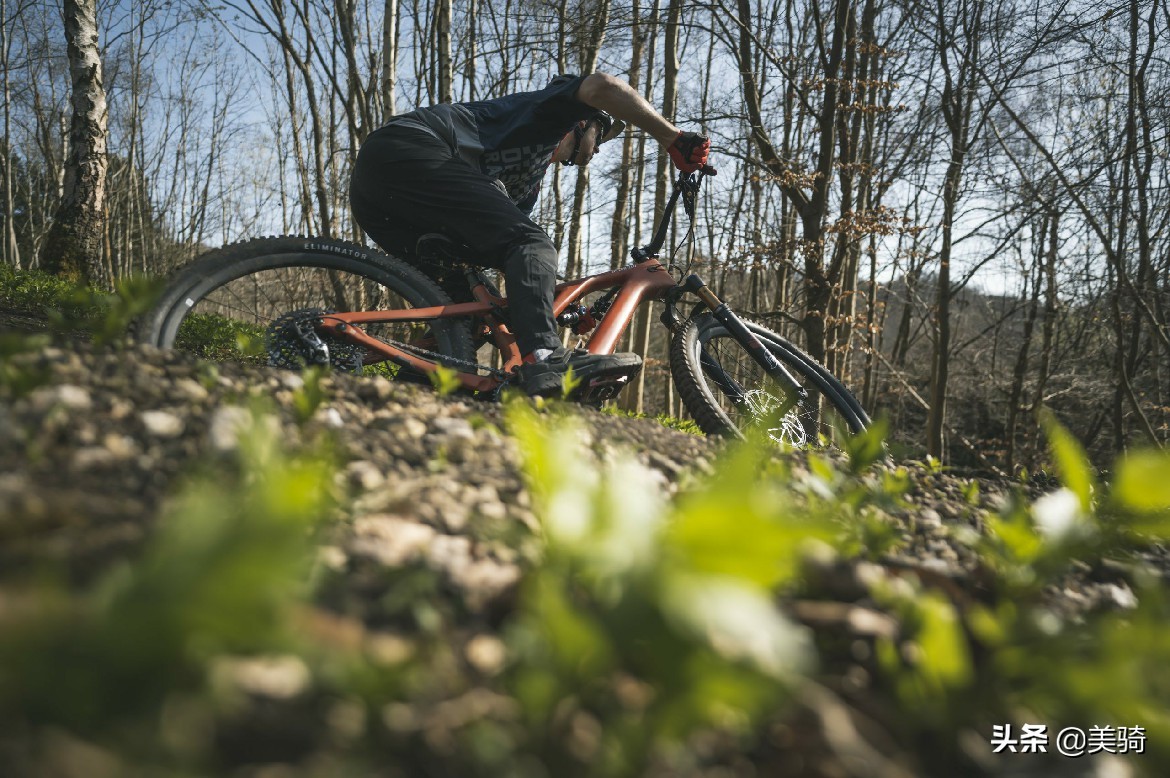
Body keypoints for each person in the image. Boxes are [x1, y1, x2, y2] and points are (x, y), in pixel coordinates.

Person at [349, 71, 710, 396]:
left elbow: (516, 257)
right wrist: (672, 137)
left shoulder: (525, 188)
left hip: (384, 200)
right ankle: (545, 358)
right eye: (600, 135)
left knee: (471, 316)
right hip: (409, 149)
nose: (597, 149)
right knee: (532, 240)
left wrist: (565, 304)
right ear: (582, 122)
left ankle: (398, 399)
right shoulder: (545, 113)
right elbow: (603, 86)